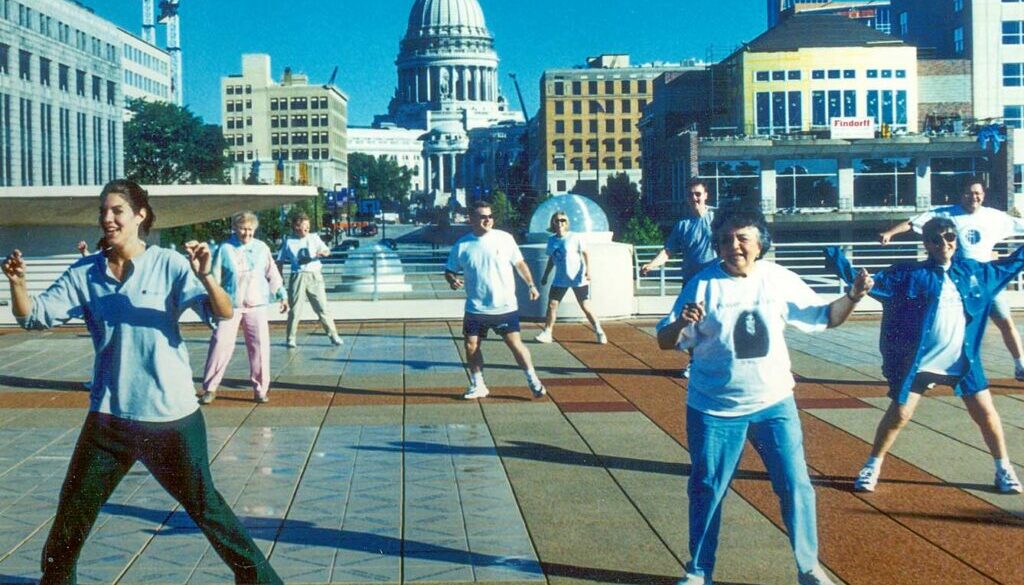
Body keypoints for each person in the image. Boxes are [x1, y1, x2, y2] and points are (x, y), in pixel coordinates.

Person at [1, 180, 282, 585]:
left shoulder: (168, 263)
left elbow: (221, 313)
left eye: (117, 210)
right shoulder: (86, 273)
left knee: (206, 508)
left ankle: (261, 580)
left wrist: (206, 277)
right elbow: (34, 317)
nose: (108, 218)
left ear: (140, 215)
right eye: (103, 211)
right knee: (72, 513)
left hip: (170, 419)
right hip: (109, 418)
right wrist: (18, 285)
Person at [657, 207, 871, 585]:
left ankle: (808, 568)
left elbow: (825, 316)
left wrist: (853, 296)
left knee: (795, 485)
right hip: (714, 408)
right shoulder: (702, 284)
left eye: (742, 238)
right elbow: (665, 341)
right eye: (725, 240)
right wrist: (679, 323)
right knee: (707, 488)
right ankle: (699, 571)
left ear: (760, 243)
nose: (733, 246)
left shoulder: (779, 279)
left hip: (774, 404)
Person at [826, 217, 1024, 494]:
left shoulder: (974, 272)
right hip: (921, 361)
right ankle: (872, 465)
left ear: (957, 240)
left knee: (986, 415)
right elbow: (870, 283)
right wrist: (843, 264)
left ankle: (1004, 469)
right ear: (926, 244)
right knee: (899, 415)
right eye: (936, 239)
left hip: (963, 361)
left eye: (950, 237)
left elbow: (1013, 263)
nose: (944, 243)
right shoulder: (909, 274)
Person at [878, 176, 1024, 380]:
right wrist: (890, 233)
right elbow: (913, 223)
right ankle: (931, 369)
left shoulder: (996, 217)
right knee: (948, 326)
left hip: (986, 280)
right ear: (961, 194)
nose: (973, 197)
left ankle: (1020, 366)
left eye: (978, 193)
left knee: (1005, 322)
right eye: (969, 193)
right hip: (957, 281)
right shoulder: (947, 214)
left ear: (983, 195)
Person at [445, 200, 547, 400]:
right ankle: (478, 385)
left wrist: (531, 285)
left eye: (490, 216)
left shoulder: (505, 239)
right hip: (476, 308)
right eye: (483, 217)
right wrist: (452, 281)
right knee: (471, 345)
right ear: (472, 219)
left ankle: (533, 381)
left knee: (515, 345)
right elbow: (449, 271)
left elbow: (520, 264)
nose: (488, 220)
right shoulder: (462, 245)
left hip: (504, 306)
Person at [199, 211, 289, 405]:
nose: (246, 233)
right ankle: (210, 388)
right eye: (242, 229)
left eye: (250, 229)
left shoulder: (261, 248)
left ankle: (260, 389)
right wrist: (211, 303)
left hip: (256, 305)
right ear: (235, 228)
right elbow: (214, 278)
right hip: (230, 306)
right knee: (220, 345)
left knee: (260, 347)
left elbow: (271, 272)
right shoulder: (225, 248)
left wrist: (282, 294)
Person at [641, 178, 717, 377]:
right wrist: (651, 264)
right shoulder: (683, 225)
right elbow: (668, 251)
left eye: (698, 194)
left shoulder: (717, 221)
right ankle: (694, 361)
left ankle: (717, 361)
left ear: (706, 195)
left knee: (716, 322)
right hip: (691, 284)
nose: (695, 198)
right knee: (691, 323)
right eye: (691, 194)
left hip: (715, 283)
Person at [535, 210, 606, 345]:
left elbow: (585, 253)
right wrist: (545, 275)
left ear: (567, 223)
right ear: (553, 223)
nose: (560, 223)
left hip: (577, 278)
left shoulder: (575, 237)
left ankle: (599, 331)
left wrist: (587, 271)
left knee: (585, 306)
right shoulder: (551, 240)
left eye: (563, 220)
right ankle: (547, 332)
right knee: (552, 305)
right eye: (557, 220)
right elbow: (552, 258)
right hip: (560, 279)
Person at [277, 211, 342, 348]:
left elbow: (327, 251)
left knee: (322, 307)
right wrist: (280, 277)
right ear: (296, 226)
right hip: (298, 276)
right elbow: (280, 260)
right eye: (303, 225)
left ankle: (333, 335)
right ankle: (291, 337)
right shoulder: (288, 241)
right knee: (295, 310)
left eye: (308, 225)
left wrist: (323, 253)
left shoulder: (314, 238)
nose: (306, 228)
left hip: (314, 276)